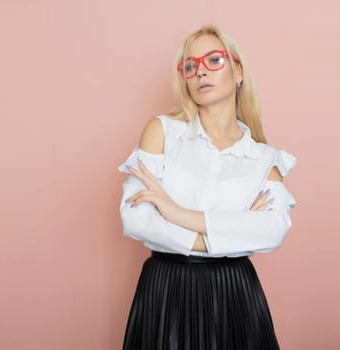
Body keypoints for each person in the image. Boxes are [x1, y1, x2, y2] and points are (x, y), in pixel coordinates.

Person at [117, 24, 297, 350]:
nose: (200, 72)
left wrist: (174, 212)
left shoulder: (263, 158)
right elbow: (136, 218)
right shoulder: (162, 132)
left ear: (238, 71)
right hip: (166, 289)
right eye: (190, 66)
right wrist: (228, 235)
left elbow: (272, 230)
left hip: (233, 293)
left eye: (214, 60)